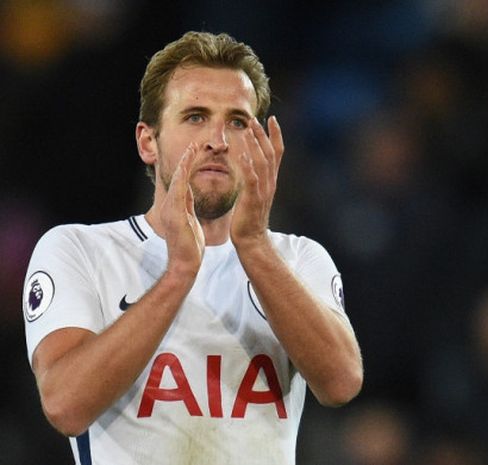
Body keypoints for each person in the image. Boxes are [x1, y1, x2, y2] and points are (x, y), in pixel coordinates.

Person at [21, 31, 363, 465]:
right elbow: (66, 405)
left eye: (238, 122)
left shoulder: (298, 258)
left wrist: (254, 247)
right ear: (148, 142)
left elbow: (341, 383)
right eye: (196, 116)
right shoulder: (79, 251)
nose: (217, 139)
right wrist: (179, 274)